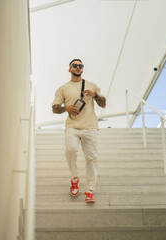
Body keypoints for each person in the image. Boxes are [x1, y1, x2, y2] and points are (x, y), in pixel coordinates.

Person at [52, 59, 106, 203]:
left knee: (92, 157)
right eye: (74, 66)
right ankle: (74, 179)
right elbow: (54, 108)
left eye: (80, 66)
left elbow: (103, 103)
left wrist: (95, 95)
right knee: (70, 150)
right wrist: (66, 108)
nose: (77, 67)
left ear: (82, 69)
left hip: (90, 127)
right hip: (72, 126)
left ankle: (90, 190)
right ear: (69, 69)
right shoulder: (63, 88)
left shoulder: (91, 85)